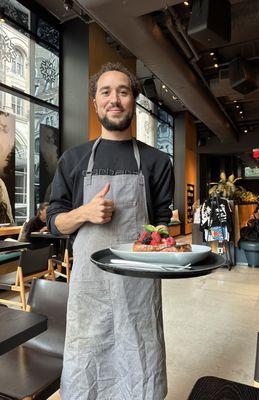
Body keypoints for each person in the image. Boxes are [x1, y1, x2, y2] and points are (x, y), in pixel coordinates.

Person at [46, 62, 174, 399]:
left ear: (133, 100)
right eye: (106, 92)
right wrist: (85, 213)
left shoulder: (157, 162)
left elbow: (162, 219)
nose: (114, 99)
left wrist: (161, 238)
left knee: (141, 363)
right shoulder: (73, 160)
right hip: (90, 289)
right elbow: (54, 221)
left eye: (123, 91)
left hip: (139, 288)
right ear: (95, 102)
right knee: (87, 361)